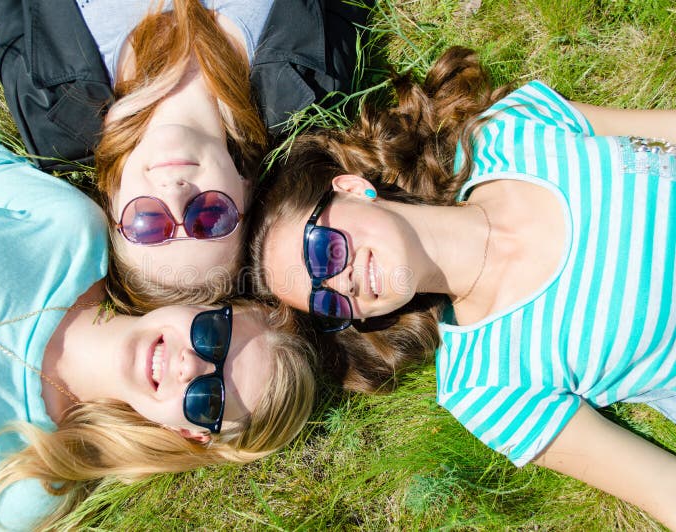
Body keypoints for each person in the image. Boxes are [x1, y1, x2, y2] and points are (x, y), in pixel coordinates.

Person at [247, 46, 676, 527]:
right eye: (326, 299)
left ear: (352, 189)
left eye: (322, 250)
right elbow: (664, 489)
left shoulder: (507, 130)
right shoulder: (484, 385)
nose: (340, 279)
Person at [0, 132, 315, 530]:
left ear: (189, 433)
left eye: (209, 399)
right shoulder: (70, 232)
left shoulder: (33, 481)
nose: (191, 364)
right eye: (214, 338)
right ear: (206, 303)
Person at [0, 0, 372, 313]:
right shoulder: (313, 85)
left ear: (112, 203)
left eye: (148, 223)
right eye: (209, 217)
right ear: (246, 190)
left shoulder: (49, 115)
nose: (174, 194)